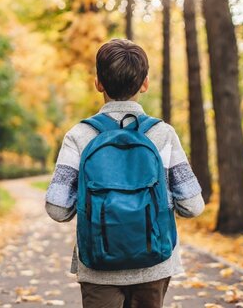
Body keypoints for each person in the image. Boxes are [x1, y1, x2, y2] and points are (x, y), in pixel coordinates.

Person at [45, 38, 205, 308]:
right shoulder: (163, 134)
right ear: (145, 83)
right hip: (155, 262)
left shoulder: (79, 135)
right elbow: (192, 206)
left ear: (98, 84)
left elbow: (57, 209)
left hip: (98, 265)